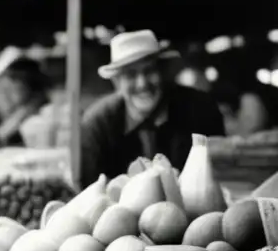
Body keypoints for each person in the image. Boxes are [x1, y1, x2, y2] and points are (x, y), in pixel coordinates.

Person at [80, 30, 226, 187]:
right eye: (130, 75)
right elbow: (92, 191)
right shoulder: (97, 124)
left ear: (163, 71)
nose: (142, 84)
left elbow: (223, 176)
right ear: (116, 82)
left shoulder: (201, 109)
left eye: (149, 71)